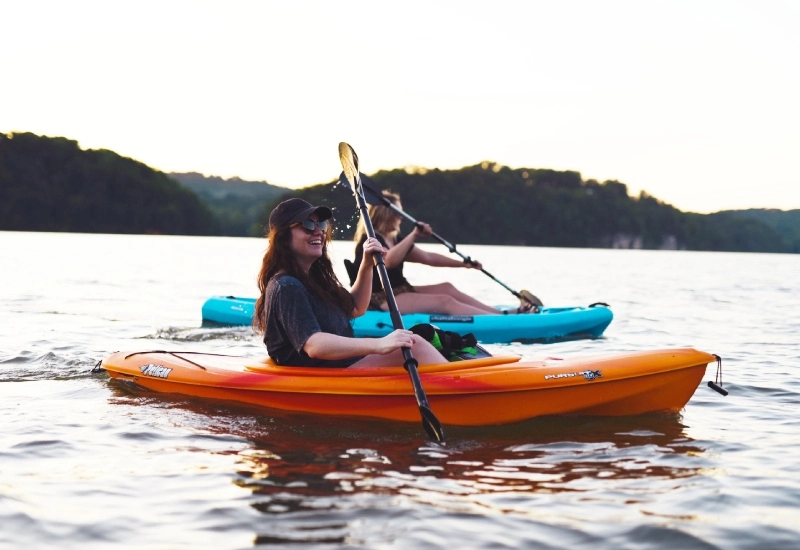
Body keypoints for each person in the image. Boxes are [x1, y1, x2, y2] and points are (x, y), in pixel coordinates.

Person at [253, 198, 445, 368]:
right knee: (416, 346)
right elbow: (314, 345)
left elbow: (355, 307)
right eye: (307, 226)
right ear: (283, 238)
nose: (318, 232)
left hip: (340, 364)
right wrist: (379, 345)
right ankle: (463, 389)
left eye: (321, 224)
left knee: (420, 337)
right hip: (322, 373)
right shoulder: (287, 286)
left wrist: (367, 265)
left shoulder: (313, 280)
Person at [352, 191, 534, 315]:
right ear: (386, 214)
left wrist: (464, 264)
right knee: (444, 301)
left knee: (447, 287)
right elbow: (388, 261)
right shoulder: (370, 240)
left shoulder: (396, 239)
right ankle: (501, 320)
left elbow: (429, 258)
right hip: (380, 299)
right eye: (398, 212)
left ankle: (502, 314)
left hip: (400, 290)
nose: (401, 216)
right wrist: (414, 234)